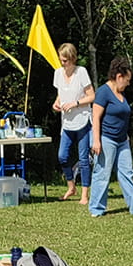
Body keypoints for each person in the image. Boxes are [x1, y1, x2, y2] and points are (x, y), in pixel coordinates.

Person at [89, 56, 133, 218]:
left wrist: (126, 136)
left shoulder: (121, 95)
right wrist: (96, 141)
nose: (128, 83)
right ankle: (96, 208)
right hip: (106, 139)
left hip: (122, 140)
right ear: (119, 77)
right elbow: (95, 117)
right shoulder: (103, 92)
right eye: (127, 80)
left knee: (126, 172)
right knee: (102, 173)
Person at [53, 43, 94, 205]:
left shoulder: (81, 72)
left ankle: (85, 194)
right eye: (61, 60)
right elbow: (60, 94)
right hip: (67, 123)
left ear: (72, 59)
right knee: (62, 156)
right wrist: (56, 103)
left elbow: (92, 96)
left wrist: (75, 103)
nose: (63, 64)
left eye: (65, 61)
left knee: (83, 158)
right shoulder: (57, 74)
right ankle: (71, 187)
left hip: (83, 120)